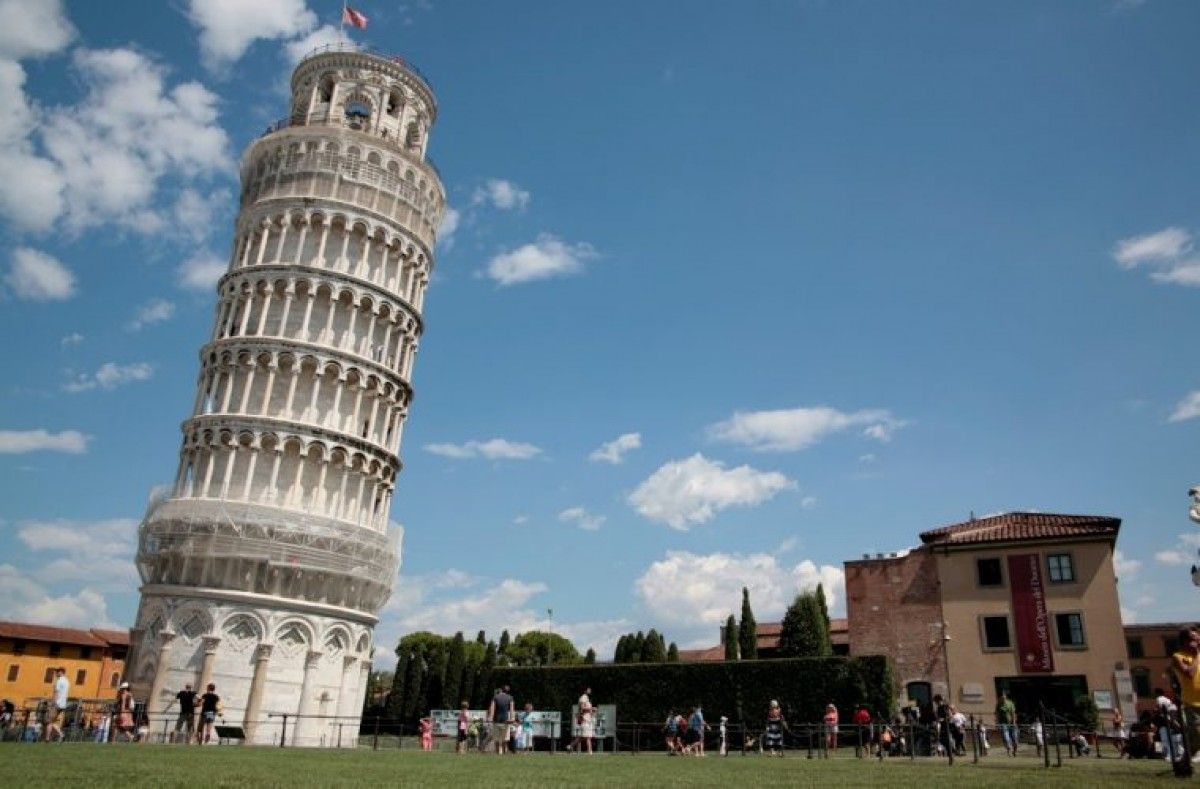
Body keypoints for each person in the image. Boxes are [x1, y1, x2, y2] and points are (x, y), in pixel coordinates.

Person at [1170, 626, 1200, 761]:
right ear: (1184, 641)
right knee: (1197, 736)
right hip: (1192, 702)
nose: (1198, 640)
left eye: (1198, 638)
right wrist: (1196, 655)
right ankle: (1184, 762)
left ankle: (1184, 763)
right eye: (1194, 639)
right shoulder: (1177, 657)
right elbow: (1189, 673)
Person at [41, 667, 69, 742]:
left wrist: (52, 703)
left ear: (61, 672)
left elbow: (56, 692)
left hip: (57, 704)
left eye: (57, 672)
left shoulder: (59, 681)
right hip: (63, 704)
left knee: (49, 721)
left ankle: (47, 739)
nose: (56, 673)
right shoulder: (67, 681)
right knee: (53, 721)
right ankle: (62, 735)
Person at [487, 685, 514, 753]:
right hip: (506, 721)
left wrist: (490, 718)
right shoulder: (510, 698)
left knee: (497, 739)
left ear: (501, 690)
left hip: (496, 720)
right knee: (504, 739)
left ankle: (498, 752)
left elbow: (492, 708)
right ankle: (504, 752)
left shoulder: (495, 697)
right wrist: (512, 718)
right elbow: (511, 710)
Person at [568, 687, 594, 754]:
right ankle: (590, 752)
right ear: (585, 690)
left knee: (582, 737)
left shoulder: (587, 698)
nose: (590, 690)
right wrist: (592, 709)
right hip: (584, 719)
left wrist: (591, 710)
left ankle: (570, 746)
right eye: (588, 689)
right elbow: (582, 708)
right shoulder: (583, 698)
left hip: (588, 719)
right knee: (588, 737)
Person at [995, 692, 1018, 756]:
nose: (1003, 698)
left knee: (1014, 738)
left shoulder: (1010, 703)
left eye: (1004, 697)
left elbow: (1013, 713)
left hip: (1011, 723)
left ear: (1005, 696)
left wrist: (1013, 722)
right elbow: (997, 714)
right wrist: (997, 723)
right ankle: (1009, 751)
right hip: (1003, 724)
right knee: (1006, 737)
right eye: (1001, 697)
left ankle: (1015, 751)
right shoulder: (998, 705)